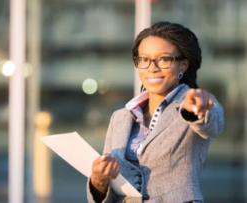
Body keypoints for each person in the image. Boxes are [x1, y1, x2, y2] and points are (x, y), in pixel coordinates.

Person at [86, 21, 224, 203]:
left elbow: (211, 123)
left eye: (164, 59)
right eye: (144, 59)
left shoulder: (193, 104)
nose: (152, 67)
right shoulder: (119, 118)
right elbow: (109, 190)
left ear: (182, 65)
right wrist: (98, 181)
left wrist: (197, 109)